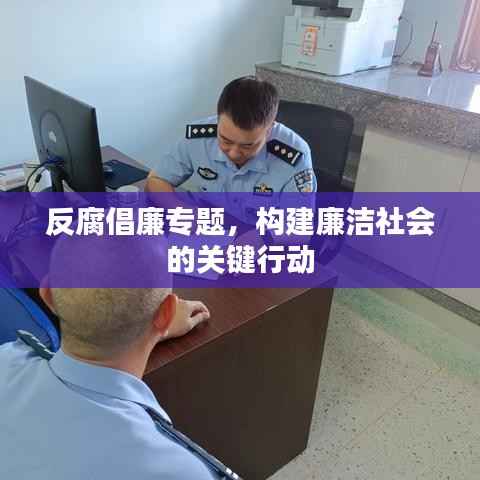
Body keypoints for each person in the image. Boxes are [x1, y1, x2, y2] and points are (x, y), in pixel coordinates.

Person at [0, 234, 237, 479]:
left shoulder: (8, 359)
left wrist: (145, 330)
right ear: (167, 312)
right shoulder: (179, 471)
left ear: (48, 295)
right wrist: (147, 326)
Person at [146, 76, 317, 195]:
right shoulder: (200, 138)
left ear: (269, 129)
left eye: (247, 145)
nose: (234, 153)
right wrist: (183, 212)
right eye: (225, 140)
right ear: (218, 119)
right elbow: (156, 180)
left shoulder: (295, 156)